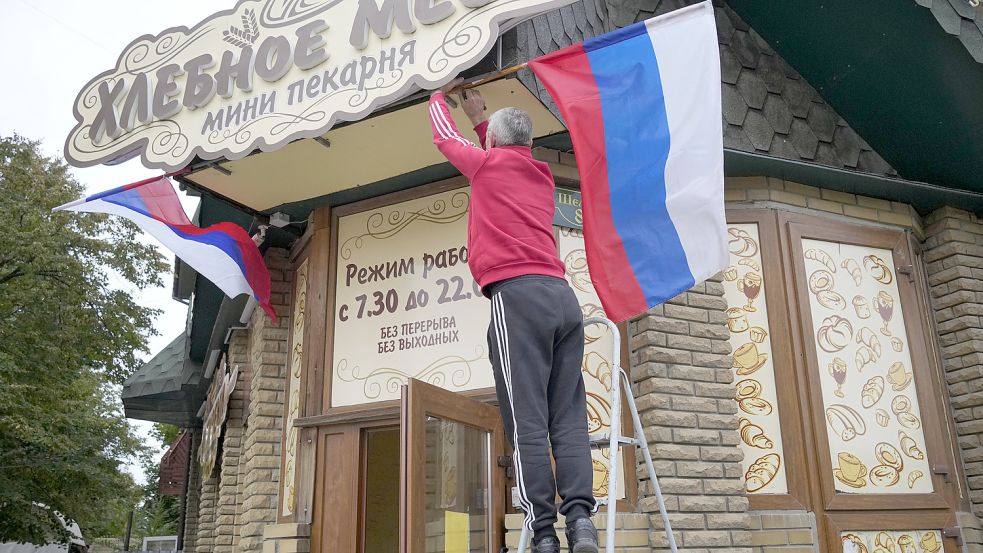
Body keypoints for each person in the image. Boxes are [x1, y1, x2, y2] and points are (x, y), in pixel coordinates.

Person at [427, 78, 599, 553]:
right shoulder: (539, 175)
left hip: (516, 296)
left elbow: (444, 138)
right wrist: (481, 117)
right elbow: (502, 149)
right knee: (566, 415)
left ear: (496, 143)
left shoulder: (484, 166)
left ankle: (542, 534)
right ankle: (580, 520)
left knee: (527, 419)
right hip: (561, 299)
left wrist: (435, 93)